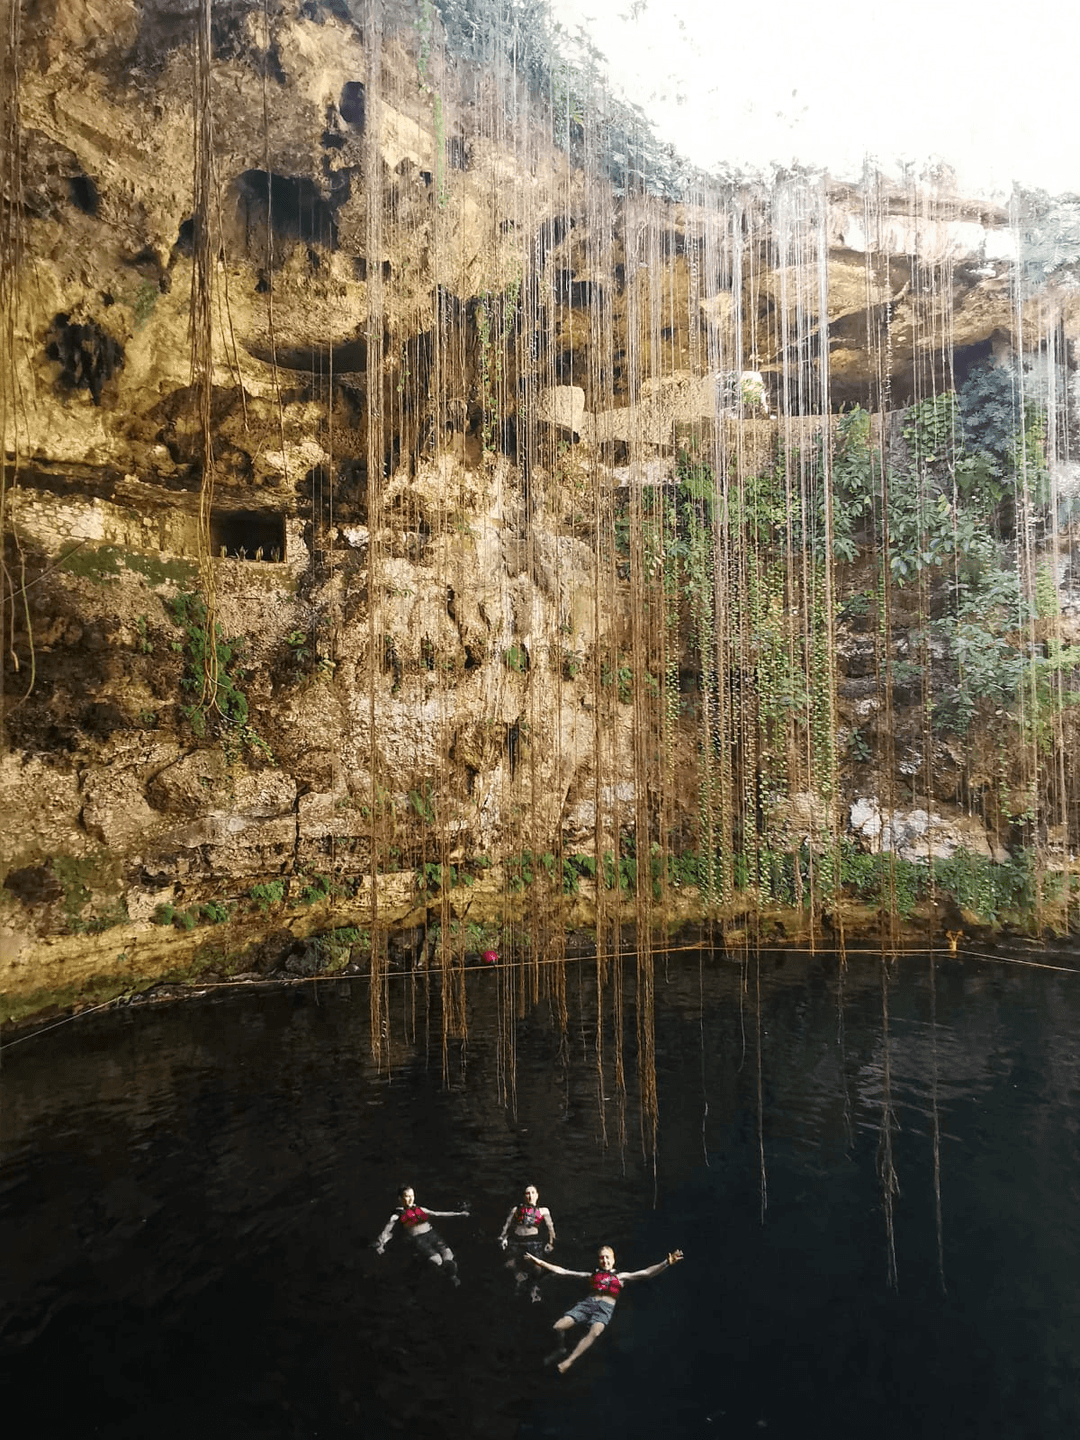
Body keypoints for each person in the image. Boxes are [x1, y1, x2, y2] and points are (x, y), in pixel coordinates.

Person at [527, 1243, 684, 1373]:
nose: (604, 1260)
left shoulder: (620, 1277)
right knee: (558, 1327)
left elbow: (646, 1273)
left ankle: (569, 1361)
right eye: (601, 1258)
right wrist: (539, 1262)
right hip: (587, 1305)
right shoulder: (591, 1275)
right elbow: (563, 1271)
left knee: (595, 1332)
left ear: (613, 1260)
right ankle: (560, 1349)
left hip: (604, 1309)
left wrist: (666, 1263)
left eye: (607, 1257)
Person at [373, 1185, 469, 1286]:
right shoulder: (397, 1215)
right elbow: (387, 1230)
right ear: (400, 1198)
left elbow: (437, 1214)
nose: (410, 1199)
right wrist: (381, 1244)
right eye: (407, 1196)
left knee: (449, 1256)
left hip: (432, 1235)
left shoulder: (420, 1209)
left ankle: (452, 1277)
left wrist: (459, 1214)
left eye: (412, 1195)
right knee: (437, 1260)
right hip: (419, 1239)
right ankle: (429, 1270)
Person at [498, 1183, 556, 1301]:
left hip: (533, 1242)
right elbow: (507, 1224)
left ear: (537, 1195)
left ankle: (534, 1287)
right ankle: (519, 1282)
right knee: (510, 1264)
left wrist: (551, 1243)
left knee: (537, 1267)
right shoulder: (517, 1209)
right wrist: (503, 1238)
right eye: (527, 1193)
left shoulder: (543, 1210)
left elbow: (551, 1228)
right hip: (516, 1241)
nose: (530, 1196)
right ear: (524, 1195)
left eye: (533, 1193)